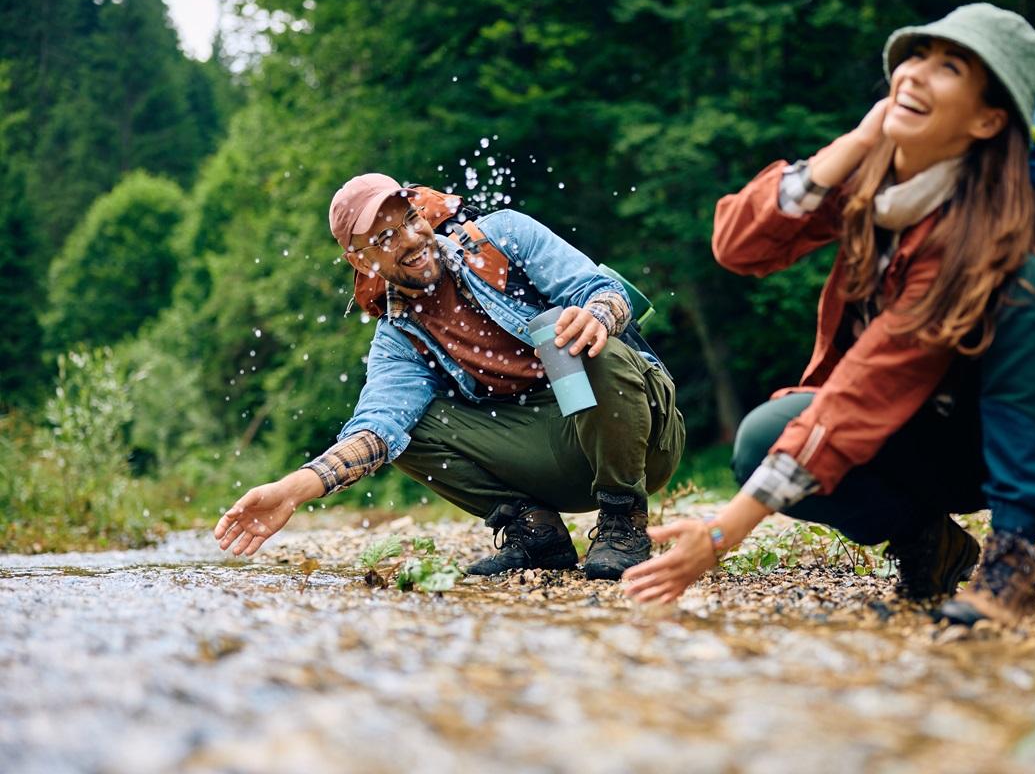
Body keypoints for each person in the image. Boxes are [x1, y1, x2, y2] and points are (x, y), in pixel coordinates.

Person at [625, 4, 1035, 625]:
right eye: (915, 56)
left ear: (987, 119)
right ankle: (932, 545)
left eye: (949, 66)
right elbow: (738, 244)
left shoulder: (976, 238)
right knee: (765, 436)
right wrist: (854, 144)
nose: (915, 75)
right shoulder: (871, 182)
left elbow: (869, 384)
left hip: (978, 444)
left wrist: (725, 529)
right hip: (907, 418)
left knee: (1027, 285)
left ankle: (1012, 553)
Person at [214, 174, 685, 580]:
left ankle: (624, 522)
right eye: (383, 239)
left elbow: (601, 288)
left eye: (409, 219)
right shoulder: (399, 337)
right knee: (403, 430)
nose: (410, 239)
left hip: (643, 438)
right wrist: (293, 490)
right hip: (556, 454)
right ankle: (536, 533)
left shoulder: (503, 235)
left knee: (584, 343)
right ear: (361, 262)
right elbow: (376, 429)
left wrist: (598, 315)